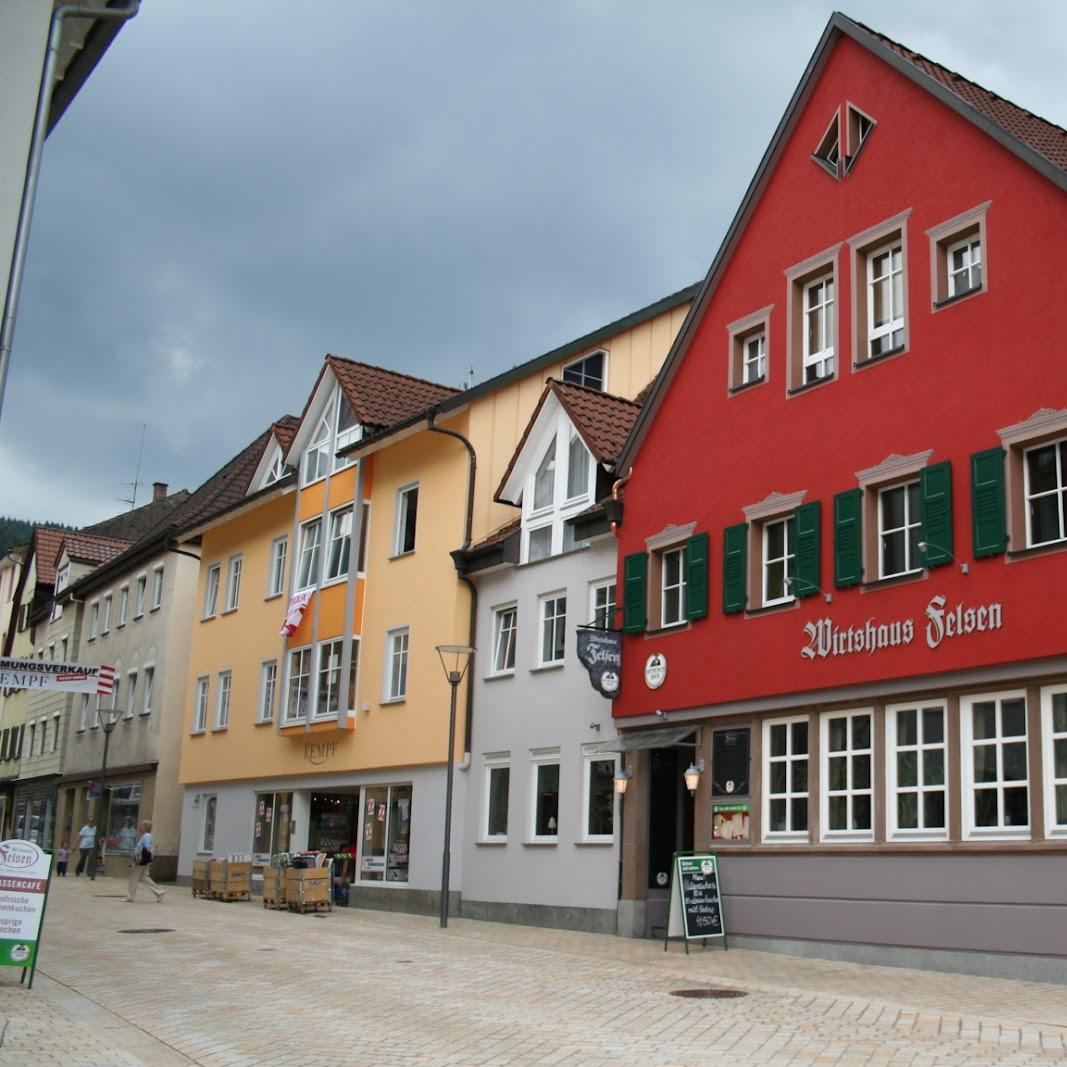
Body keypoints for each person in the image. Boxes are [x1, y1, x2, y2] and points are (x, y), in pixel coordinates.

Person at [126, 819, 165, 903]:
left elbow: (147, 848)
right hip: (145, 860)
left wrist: (139, 858)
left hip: (142, 860)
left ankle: (130, 896)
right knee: (144, 877)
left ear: (145, 827)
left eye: (141, 826)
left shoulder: (146, 836)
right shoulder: (148, 835)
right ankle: (159, 892)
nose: (140, 827)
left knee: (134, 877)